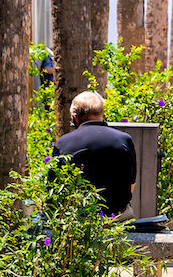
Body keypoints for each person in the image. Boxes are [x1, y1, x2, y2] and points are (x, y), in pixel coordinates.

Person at [55, 91, 151, 228]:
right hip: (118, 217)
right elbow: (131, 185)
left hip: (77, 219)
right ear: (101, 114)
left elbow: (56, 187)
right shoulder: (124, 140)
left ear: (74, 116)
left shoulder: (63, 143)